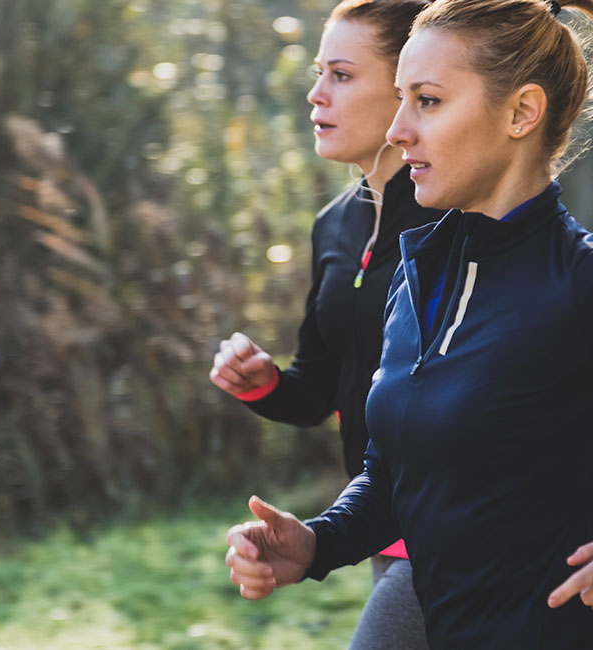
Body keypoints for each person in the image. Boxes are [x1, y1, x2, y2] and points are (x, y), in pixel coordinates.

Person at [224, 0, 593, 648]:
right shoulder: (415, 279)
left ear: (522, 113)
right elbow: (396, 478)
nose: (398, 130)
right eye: (400, 100)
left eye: (427, 101)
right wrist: (317, 543)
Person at [209, 2, 439, 648]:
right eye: (319, 73)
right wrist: (261, 382)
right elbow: (319, 391)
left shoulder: (455, 224)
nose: (316, 94)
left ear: (406, 88)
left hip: (453, 529)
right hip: (376, 526)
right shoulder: (334, 224)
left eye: (341, 74)